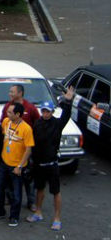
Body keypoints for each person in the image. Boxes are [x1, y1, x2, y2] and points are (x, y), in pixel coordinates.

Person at [27, 87, 75, 231]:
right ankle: (38, 212)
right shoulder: (37, 123)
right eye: (44, 111)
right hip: (39, 163)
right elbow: (33, 143)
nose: (45, 113)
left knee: (56, 192)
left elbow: (66, 115)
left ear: (52, 112)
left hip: (52, 163)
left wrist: (68, 101)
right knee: (39, 189)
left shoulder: (57, 124)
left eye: (48, 111)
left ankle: (57, 218)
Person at [0, 103, 35, 227]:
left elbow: (28, 149)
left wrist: (20, 166)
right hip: (4, 162)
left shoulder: (26, 129)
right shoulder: (6, 122)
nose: (7, 114)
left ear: (18, 114)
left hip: (17, 166)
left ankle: (14, 216)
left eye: (10, 112)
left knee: (16, 193)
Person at [0, 84, 40, 211]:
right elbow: (3, 123)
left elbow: (37, 124)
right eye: (9, 91)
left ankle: (31, 201)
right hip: (10, 149)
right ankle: (9, 197)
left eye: (12, 91)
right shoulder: (7, 106)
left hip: (26, 148)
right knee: (8, 176)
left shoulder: (31, 108)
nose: (10, 94)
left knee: (28, 177)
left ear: (20, 93)